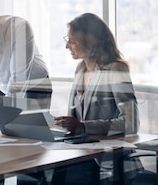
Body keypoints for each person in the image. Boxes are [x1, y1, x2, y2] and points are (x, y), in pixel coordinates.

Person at [51, 13, 140, 184]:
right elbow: (76, 120)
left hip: (107, 162)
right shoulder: (80, 69)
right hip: (80, 156)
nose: (67, 46)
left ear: (89, 42)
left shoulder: (115, 70)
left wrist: (83, 127)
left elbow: (131, 123)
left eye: (72, 41)